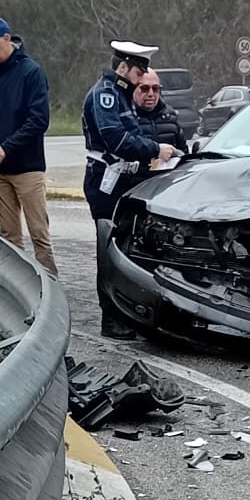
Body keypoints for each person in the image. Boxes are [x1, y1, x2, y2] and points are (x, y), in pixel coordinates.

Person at [82, 40, 178, 339]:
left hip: (125, 179)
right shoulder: (106, 95)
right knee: (110, 250)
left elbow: (132, 132)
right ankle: (111, 319)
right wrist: (155, 149)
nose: (141, 81)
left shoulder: (120, 94)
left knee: (127, 248)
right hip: (107, 182)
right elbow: (116, 139)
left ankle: (126, 313)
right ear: (123, 68)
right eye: (138, 73)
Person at [0, 16, 57, 275]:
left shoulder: (31, 72)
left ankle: (50, 284)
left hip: (27, 168)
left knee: (39, 233)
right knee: (9, 236)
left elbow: (39, 120)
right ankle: (18, 284)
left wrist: (8, 146)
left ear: (7, 39)